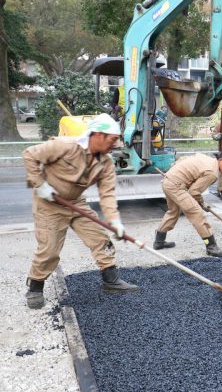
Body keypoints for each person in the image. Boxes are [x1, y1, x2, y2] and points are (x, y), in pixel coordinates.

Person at [22, 113, 138, 310]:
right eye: (112, 140)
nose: (115, 145)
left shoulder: (106, 163)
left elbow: (107, 195)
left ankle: (111, 280)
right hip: (49, 205)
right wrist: (39, 184)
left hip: (77, 202)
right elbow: (29, 154)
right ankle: (35, 287)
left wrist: (115, 222)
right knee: (49, 249)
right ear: (98, 135)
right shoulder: (65, 146)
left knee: (100, 238)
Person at [153, 150, 222, 257]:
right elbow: (194, 192)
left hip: (168, 181)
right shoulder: (212, 173)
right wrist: (202, 204)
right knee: (196, 213)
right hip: (176, 186)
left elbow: (183, 159)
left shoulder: (207, 159)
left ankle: (159, 242)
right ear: (220, 160)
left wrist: (174, 172)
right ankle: (211, 246)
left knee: (173, 211)